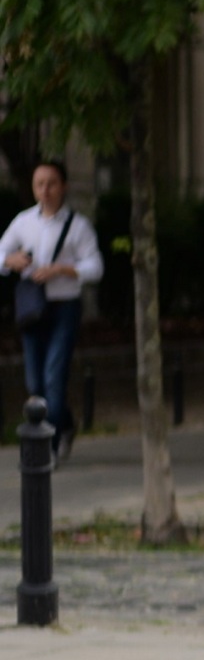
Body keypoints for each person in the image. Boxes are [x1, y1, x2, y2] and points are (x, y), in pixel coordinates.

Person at [3, 160, 104, 460]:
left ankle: (52, 442)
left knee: (53, 377)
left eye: (51, 184)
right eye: (39, 184)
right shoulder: (23, 222)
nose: (45, 190)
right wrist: (10, 262)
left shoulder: (78, 226)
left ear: (64, 187)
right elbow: (1, 251)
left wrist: (63, 270)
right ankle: (67, 423)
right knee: (35, 383)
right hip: (32, 310)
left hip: (64, 309)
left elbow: (96, 266)